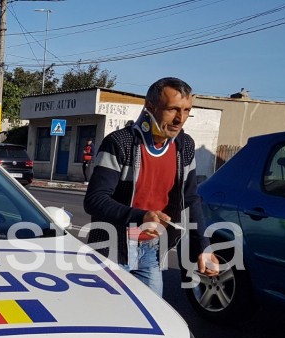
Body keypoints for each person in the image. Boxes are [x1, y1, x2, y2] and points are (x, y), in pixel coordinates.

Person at [83, 77, 219, 297]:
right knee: (110, 320)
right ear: (150, 107)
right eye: (172, 110)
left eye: (186, 111)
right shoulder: (121, 143)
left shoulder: (184, 146)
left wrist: (203, 246)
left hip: (152, 250)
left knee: (154, 319)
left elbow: (191, 199)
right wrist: (141, 216)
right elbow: (94, 199)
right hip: (113, 248)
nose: (180, 119)